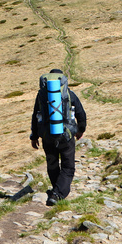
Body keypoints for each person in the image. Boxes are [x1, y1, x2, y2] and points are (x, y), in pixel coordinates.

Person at [30, 69, 87, 206]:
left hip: (47, 136)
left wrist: (34, 136)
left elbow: (35, 116)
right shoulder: (68, 93)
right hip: (66, 136)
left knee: (52, 164)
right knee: (68, 166)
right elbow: (81, 113)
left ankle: (56, 190)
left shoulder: (41, 95)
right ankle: (58, 193)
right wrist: (80, 130)